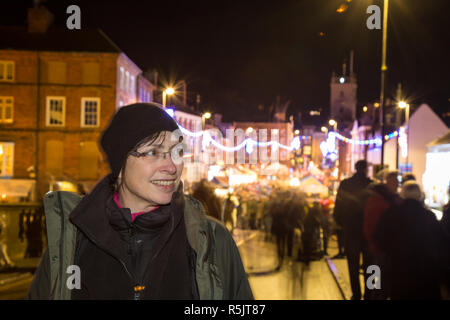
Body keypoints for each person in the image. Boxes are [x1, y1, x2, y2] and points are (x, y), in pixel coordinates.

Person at [27, 103, 253, 300]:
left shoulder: (212, 242)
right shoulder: (71, 241)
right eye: (153, 152)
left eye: (177, 152)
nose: (171, 167)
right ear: (120, 163)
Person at [374, 181, 449, 299]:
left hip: (399, 272)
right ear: (419, 195)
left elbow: (379, 238)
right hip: (425, 274)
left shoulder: (392, 214)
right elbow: (440, 245)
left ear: (402, 195)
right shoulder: (428, 216)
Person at [333, 160, 372, 300]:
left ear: (355, 168)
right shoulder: (372, 185)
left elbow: (338, 206)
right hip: (369, 232)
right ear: (366, 169)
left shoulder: (345, 184)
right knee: (371, 265)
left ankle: (356, 294)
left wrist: (339, 222)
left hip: (351, 230)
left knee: (353, 265)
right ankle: (370, 293)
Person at [363, 171, 401, 300]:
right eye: (395, 182)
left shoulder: (388, 199)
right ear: (388, 182)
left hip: (379, 247)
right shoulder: (379, 200)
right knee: (376, 282)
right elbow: (371, 225)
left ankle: (370, 296)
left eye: (398, 182)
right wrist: (375, 242)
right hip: (377, 248)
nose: (397, 185)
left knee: (377, 281)